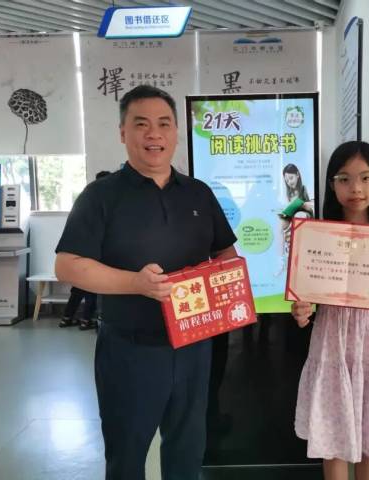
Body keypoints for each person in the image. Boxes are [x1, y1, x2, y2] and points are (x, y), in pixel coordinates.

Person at [54, 85, 237, 480]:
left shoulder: (199, 194)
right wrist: (136, 283)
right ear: (123, 132)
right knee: (126, 455)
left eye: (164, 124)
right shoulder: (100, 196)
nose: (154, 134)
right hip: (129, 349)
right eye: (141, 124)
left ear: (176, 133)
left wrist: (228, 287)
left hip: (194, 346)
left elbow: (226, 253)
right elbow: (67, 265)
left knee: (188, 450)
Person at [290, 141, 369, 480]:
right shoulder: (317, 235)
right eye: (344, 179)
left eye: (365, 178)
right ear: (332, 185)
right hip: (333, 342)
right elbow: (305, 295)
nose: (356, 188)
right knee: (333, 435)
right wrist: (302, 310)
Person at [58, 170, 111, 331]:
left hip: (80, 254)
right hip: (95, 256)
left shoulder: (86, 199)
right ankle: (87, 320)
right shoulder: (105, 202)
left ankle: (67, 318)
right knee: (93, 291)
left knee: (78, 289)